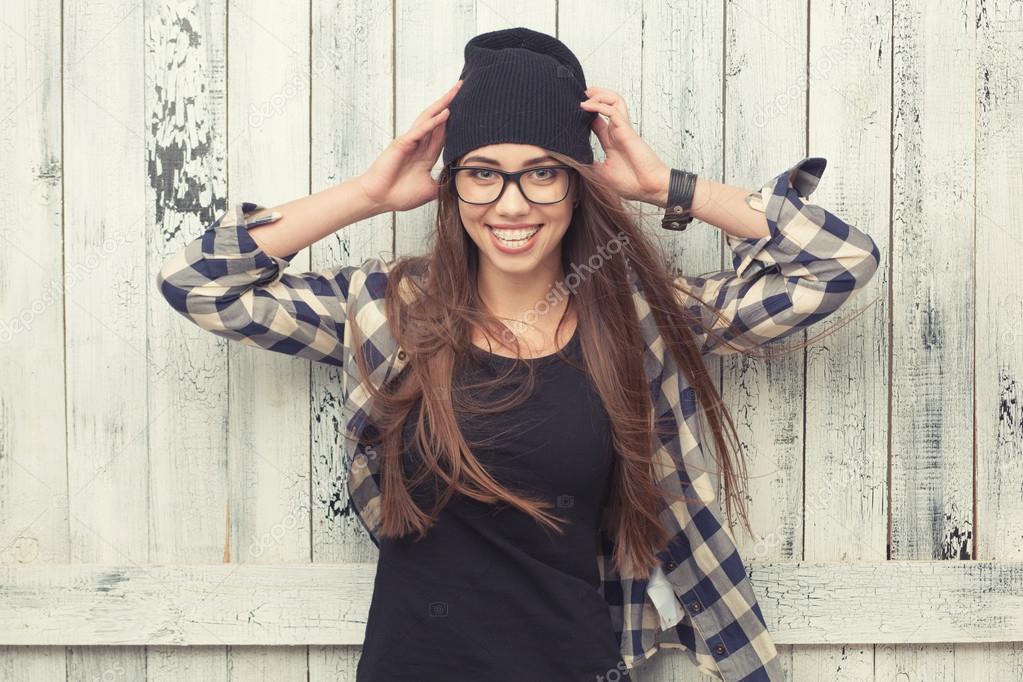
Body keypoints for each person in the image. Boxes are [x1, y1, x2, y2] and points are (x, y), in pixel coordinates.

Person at [156, 26, 880, 682]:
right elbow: (198, 281)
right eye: (482, 172)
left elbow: (836, 263)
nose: (510, 204)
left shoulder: (638, 323)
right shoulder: (386, 313)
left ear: (574, 183)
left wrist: (663, 185)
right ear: (453, 184)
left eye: (541, 171)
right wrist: (369, 194)